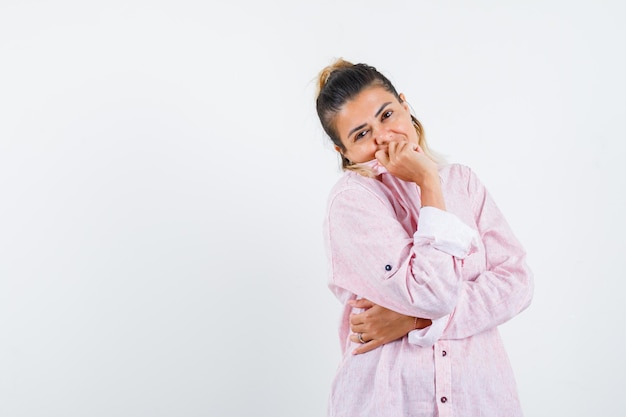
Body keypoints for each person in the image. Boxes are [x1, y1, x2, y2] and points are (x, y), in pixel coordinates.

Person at [315, 58, 533, 417]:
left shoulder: (463, 183)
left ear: (405, 105)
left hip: (480, 397)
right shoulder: (352, 201)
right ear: (345, 152)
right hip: (391, 400)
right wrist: (428, 183)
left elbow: (517, 282)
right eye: (361, 134)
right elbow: (429, 294)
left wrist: (415, 321)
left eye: (386, 115)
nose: (383, 136)